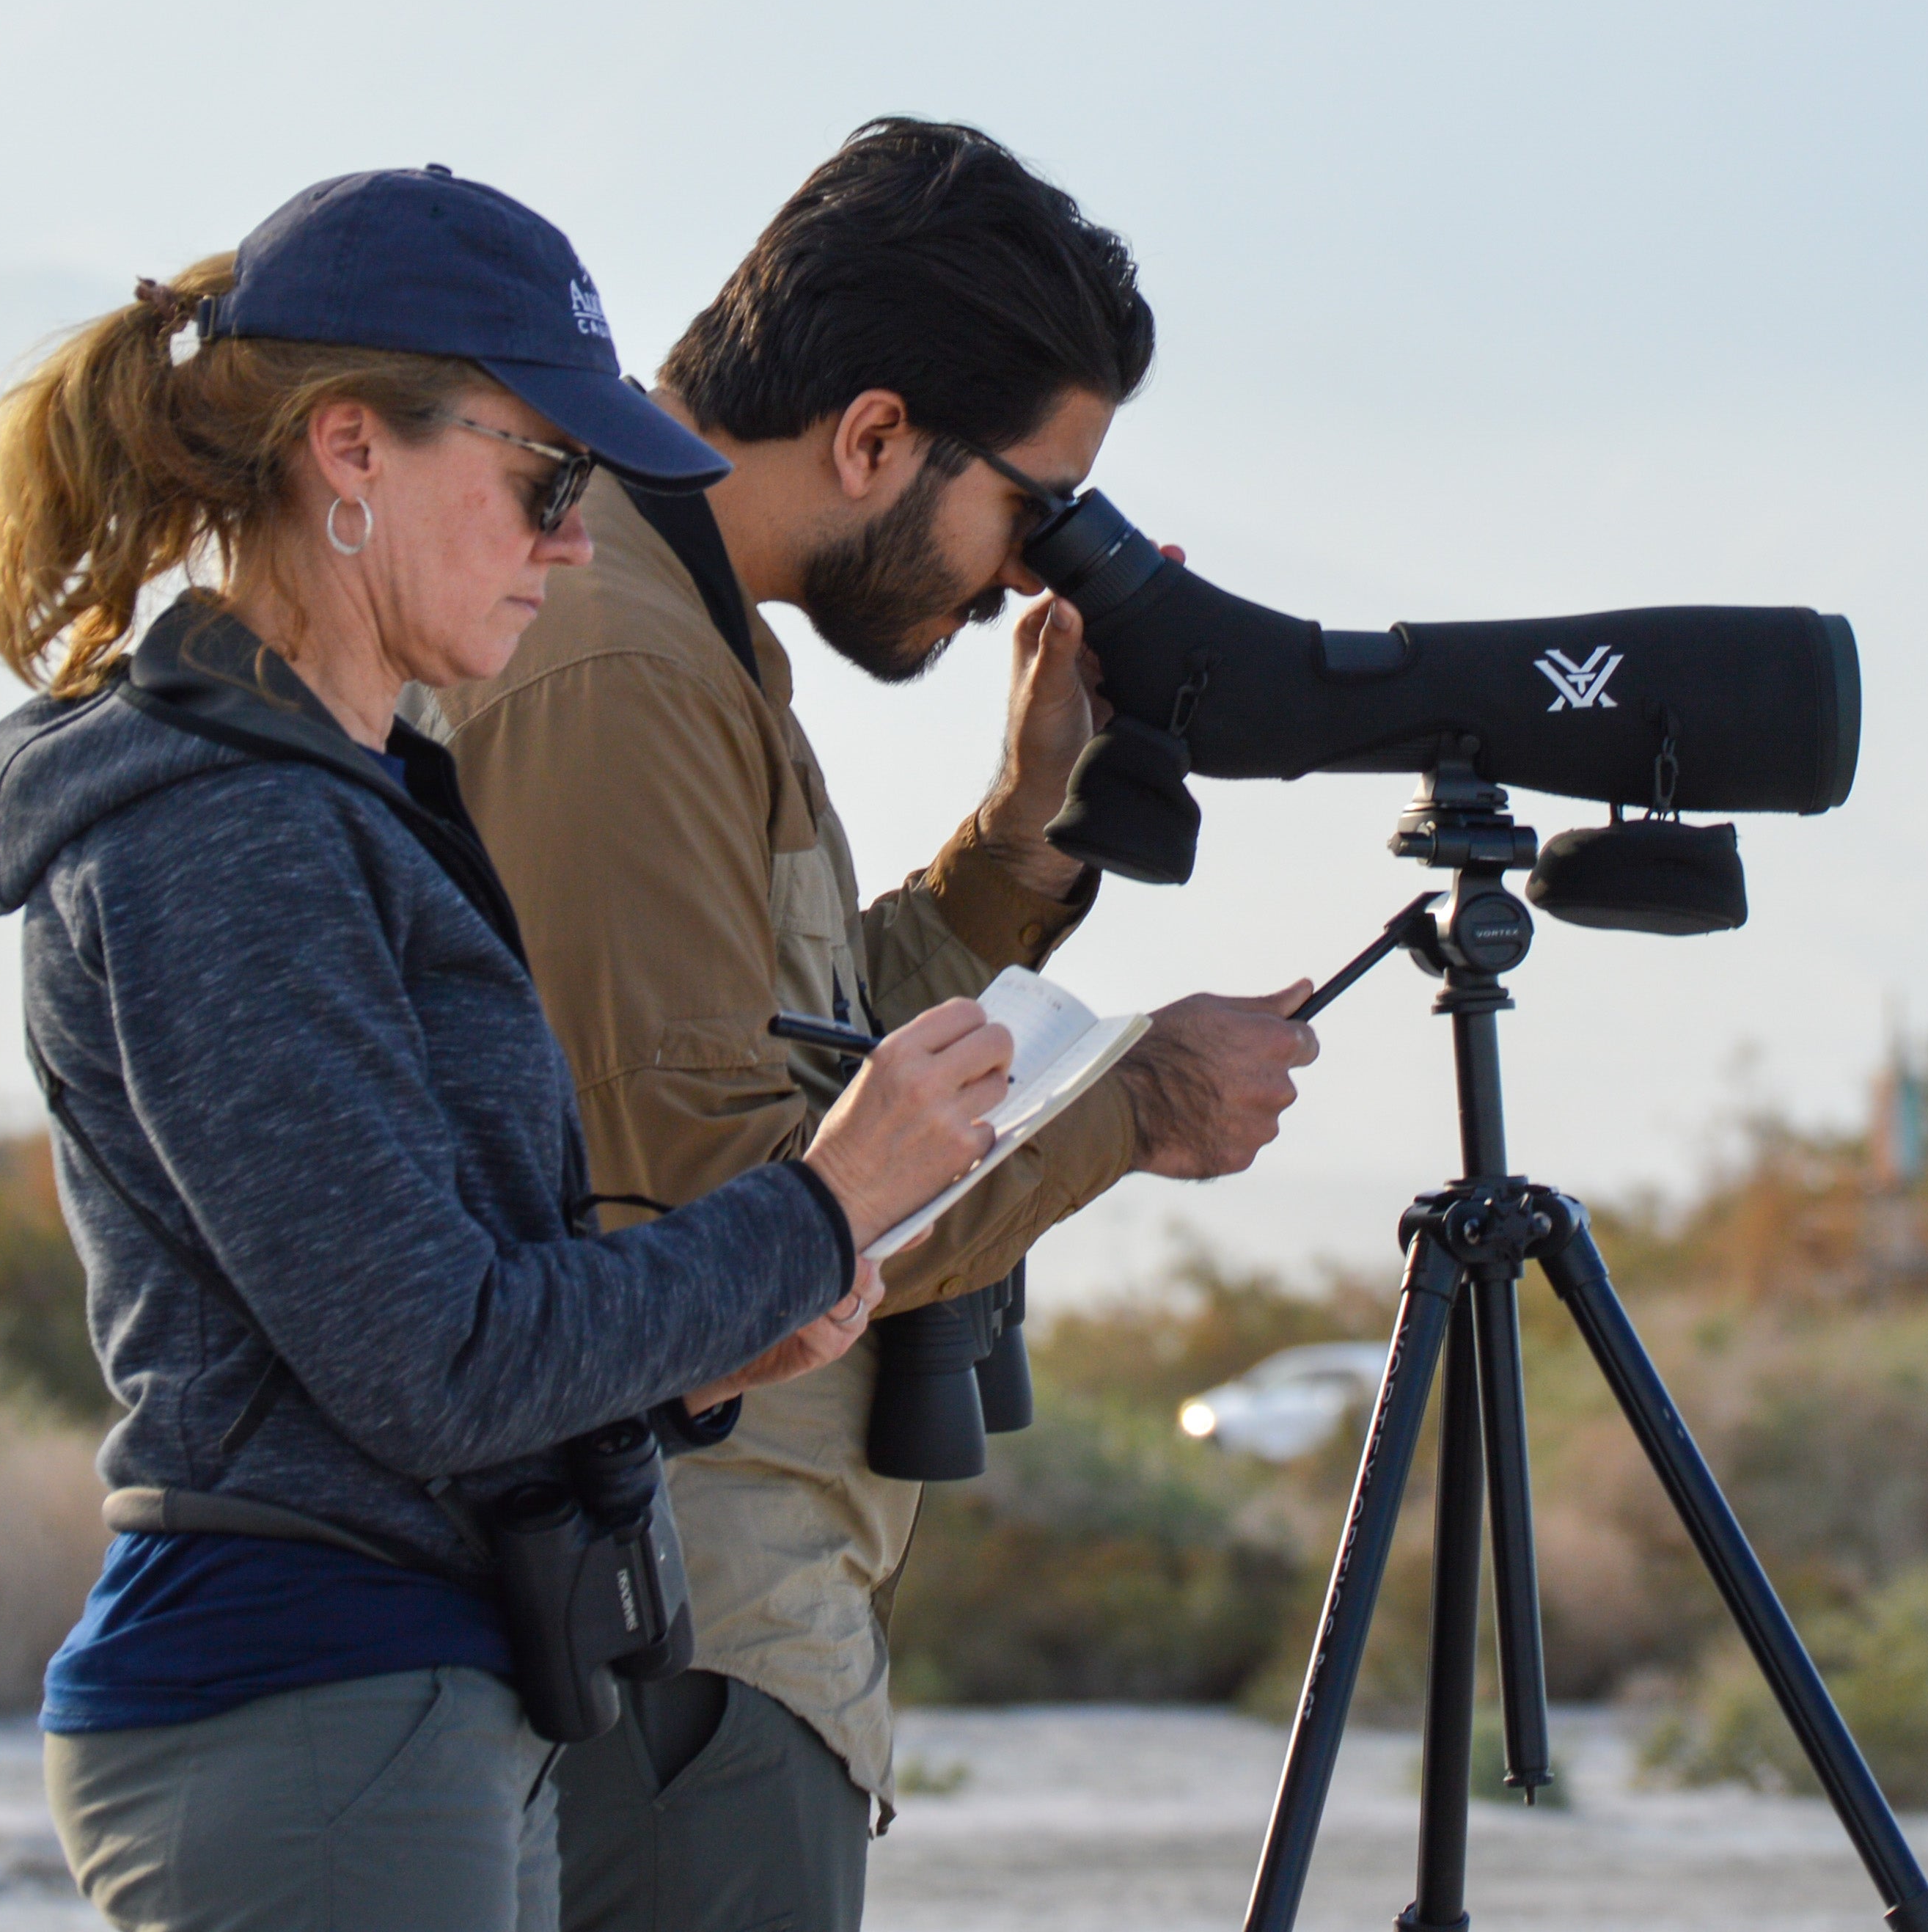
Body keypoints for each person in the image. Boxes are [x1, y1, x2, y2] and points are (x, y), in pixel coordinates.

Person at [0, 165, 1019, 1932]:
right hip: (311, 1704)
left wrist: (719, 1332)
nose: (568, 534)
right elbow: (438, 1362)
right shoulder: (224, 832)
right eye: (545, 478)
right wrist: (818, 1207)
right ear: (350, 453)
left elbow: (443, 1322)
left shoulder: (351, 799)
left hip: (407, 1697)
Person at [433, 119, 1324, 1931]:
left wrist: (1021, 831)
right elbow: (737, 1204)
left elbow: (803, 1052)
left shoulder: (677, 625)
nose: (1022, 572)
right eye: (1030, 499)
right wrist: (1130, 1100)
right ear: (870, 435)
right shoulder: (611, 655)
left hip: (723, 1627)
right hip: (678, 1630)